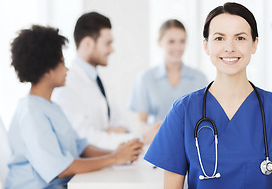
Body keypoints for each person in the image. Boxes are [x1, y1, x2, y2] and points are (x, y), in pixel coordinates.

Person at [145, 2, 272, 188]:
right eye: (219, 38)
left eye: (240, 38)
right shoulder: (183, 111)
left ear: (254, 44)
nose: (229, 48)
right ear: (206, 46)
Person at [6, 25, 143, 189]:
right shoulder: (31, 113)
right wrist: (114, 159)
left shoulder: (52, 107)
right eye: (62, 62)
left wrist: (117, 153)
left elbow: (82, 147)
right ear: (47, 69)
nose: (67, 69)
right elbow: (60, 169)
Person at [52, 12, 158, 150]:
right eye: (108, 43)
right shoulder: (67, 84)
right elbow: (84, 139)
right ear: (88, 44)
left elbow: (123, 124)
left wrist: (108, 133)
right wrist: (141, 138)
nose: (112, 50)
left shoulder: (96, 80)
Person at [128, 19, 208, 124]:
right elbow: (141, 123)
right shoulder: (146, 78)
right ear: (159, 42)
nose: (177, 47)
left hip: (190, 139)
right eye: (171, 41)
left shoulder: (199, 78)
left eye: (182, 41)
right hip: (157, 138)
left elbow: (205, 116)